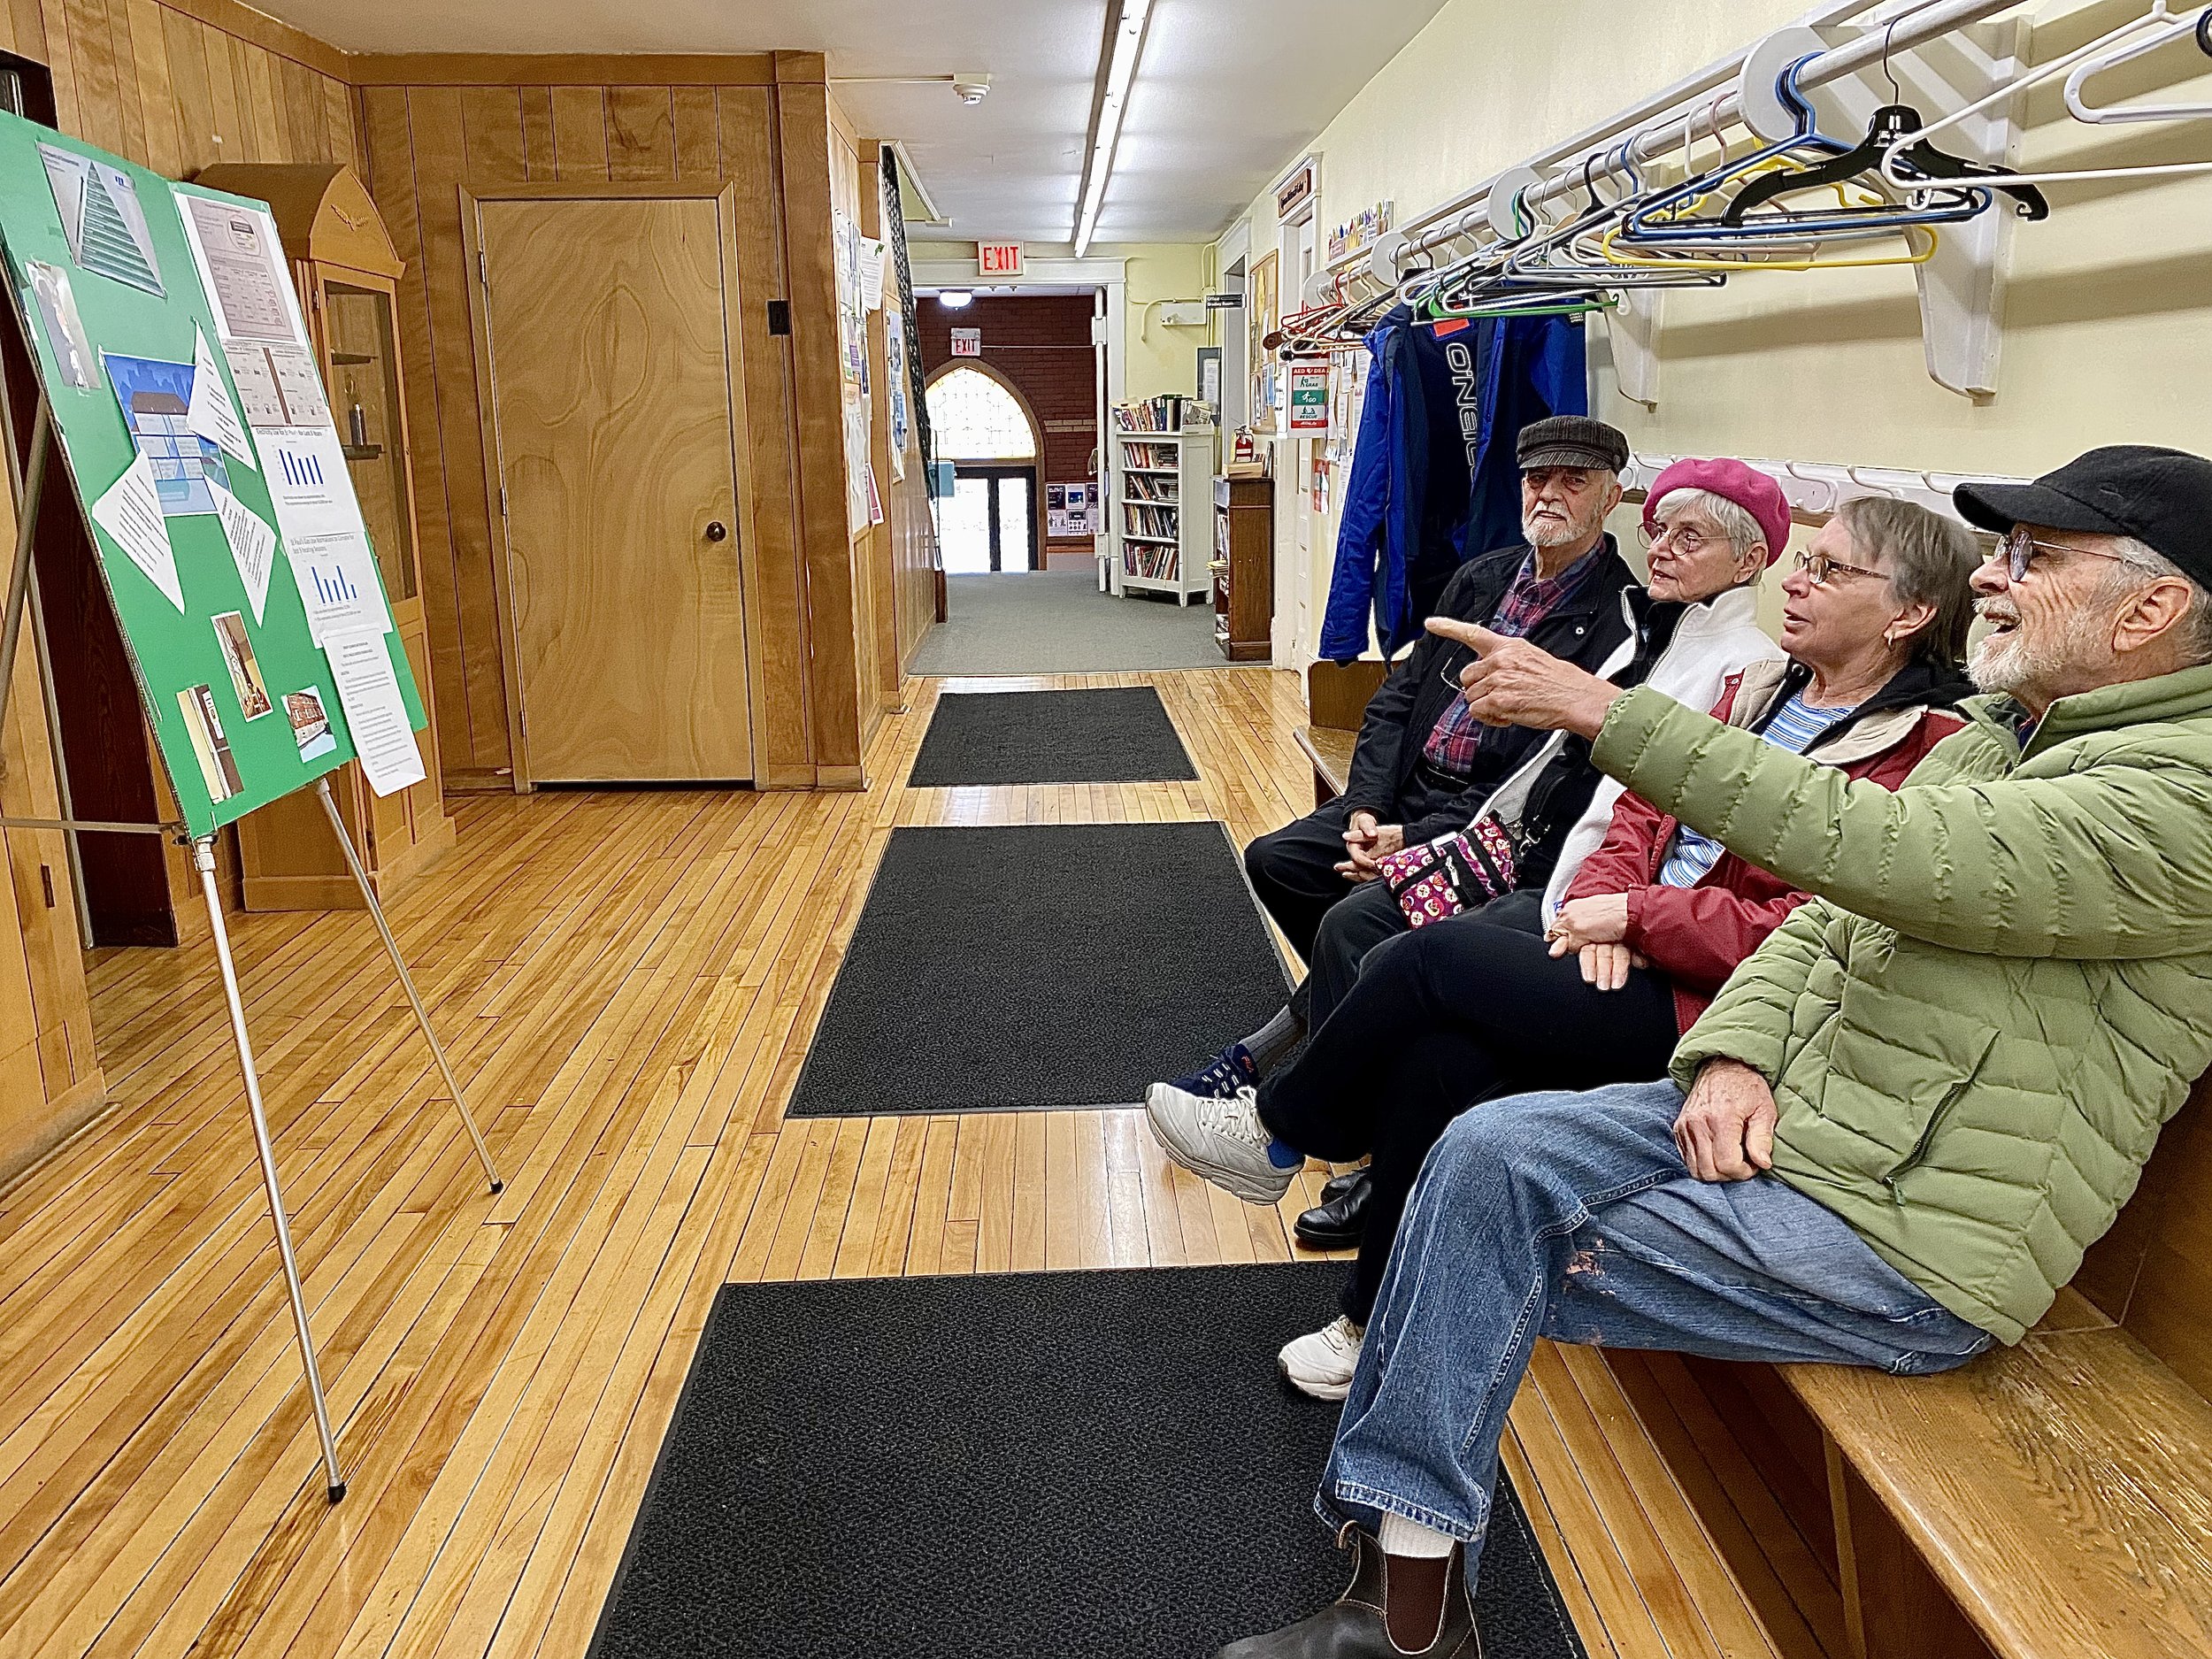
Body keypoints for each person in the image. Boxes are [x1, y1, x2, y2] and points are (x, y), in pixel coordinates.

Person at [1209, 443, 2212, 1659]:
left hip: (1912, 1237)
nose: (1993, 581)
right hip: (1805, 1123)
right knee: (1472, 1138)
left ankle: (1404, 1613)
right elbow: (1827, 927)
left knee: (1475, 1189)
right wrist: (1732, 1057)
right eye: (1997, 551)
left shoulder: (2181, 794)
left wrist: (1602, 710)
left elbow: (1872, 856)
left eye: (2034, 558)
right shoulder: (2007, 732)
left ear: (2153, 608)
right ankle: (1408, 1589)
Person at [1151, 495, 1978, 1400]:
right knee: (1438, 1056)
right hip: (1621, 944)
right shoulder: (1760, 689)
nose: (1800, 582)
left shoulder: (1926, 748)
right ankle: (1370, 1320)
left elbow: (1807, 926)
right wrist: (1598, 902)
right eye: (1805, 561)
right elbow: (1634, 807)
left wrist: (1638, 918)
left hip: (1725, 1006)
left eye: (1831, 570)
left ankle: (1277, 1132)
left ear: (1908, 613)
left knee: (1423, 961)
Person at [1171, 457, 1787, 1154]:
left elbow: (1652, 823)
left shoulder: (1712, 654)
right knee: (1299, 877)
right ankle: (1321, 1105)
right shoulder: (1601, 612)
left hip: (1549, 869)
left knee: (1382, 943)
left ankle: (1291, 1119)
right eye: (1661, 530)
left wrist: (1610, 909)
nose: (1664, 549)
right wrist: (1368, 804)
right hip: (1518, 846)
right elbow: (1437, 718)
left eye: (1690, 536)